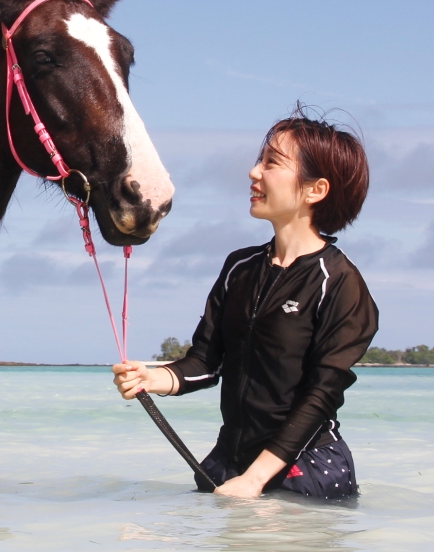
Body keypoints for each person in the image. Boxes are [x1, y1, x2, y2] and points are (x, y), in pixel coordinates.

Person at [112, 111, 378, 500]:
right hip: (229, 462)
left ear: (315, 189)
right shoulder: (239, 267)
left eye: (272, 163)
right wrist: (152, 378)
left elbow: (320, 397)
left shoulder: (339, 283)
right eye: (259, 160)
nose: (254, 172)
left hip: (304, 468)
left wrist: (255, 480)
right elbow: (207, 362)